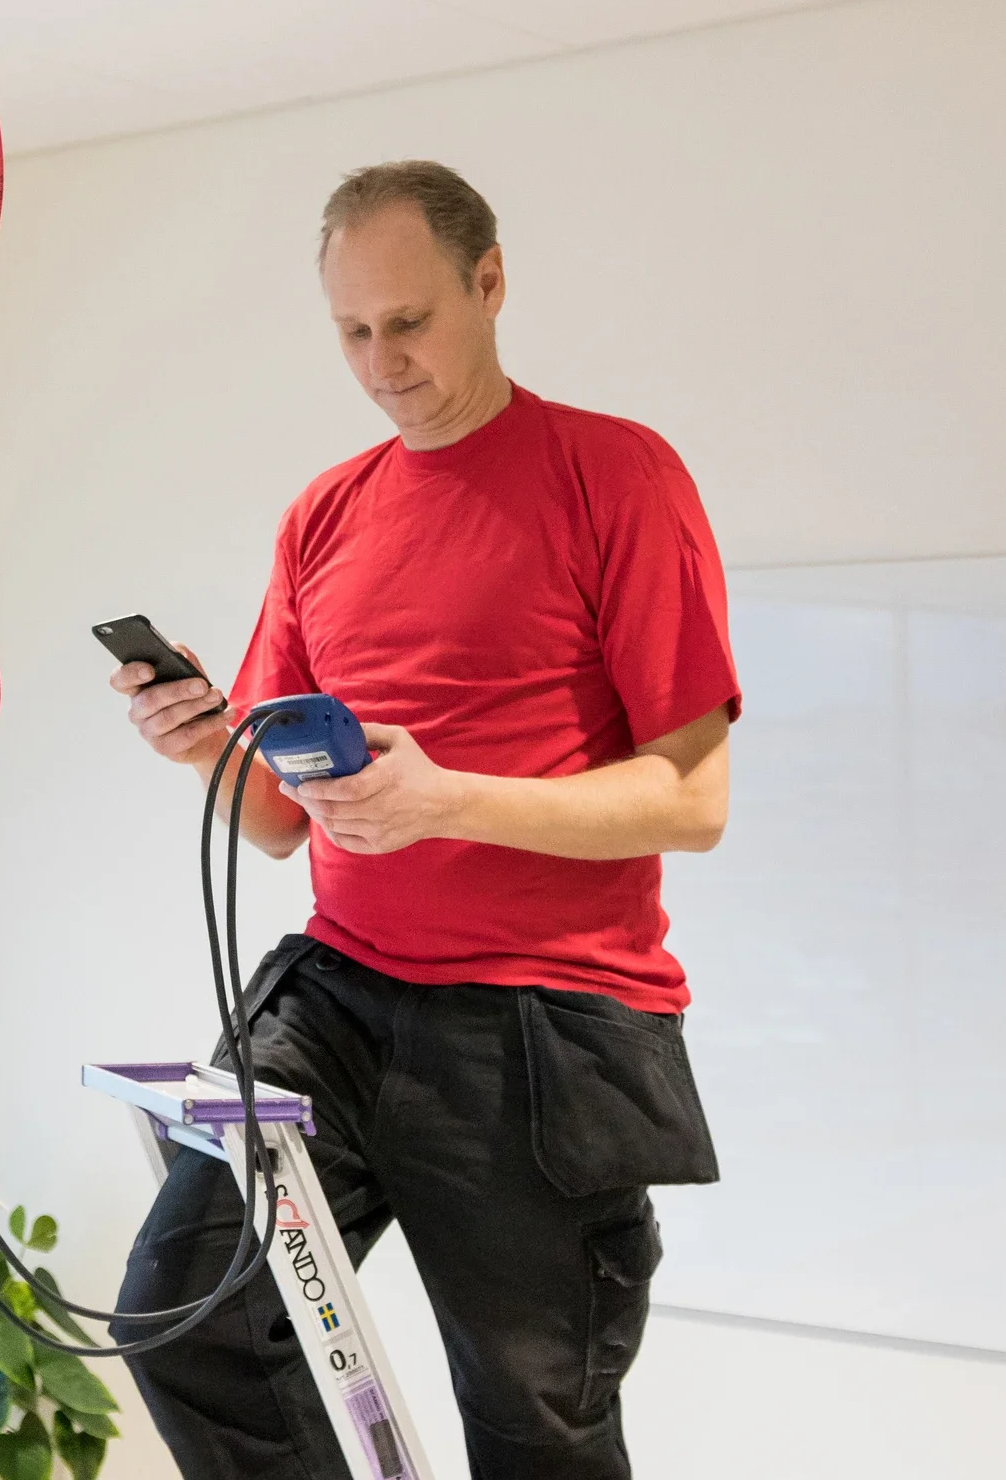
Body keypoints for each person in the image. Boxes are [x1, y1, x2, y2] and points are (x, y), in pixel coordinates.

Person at [105, 161, 737, 1480]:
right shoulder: (324, 514)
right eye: (351, 331)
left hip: (541, 1026)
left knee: (534, 1434)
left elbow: (692, 798)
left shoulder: (616, 474)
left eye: (409, 321)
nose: (381, 361)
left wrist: (448, 798)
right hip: (339, 999)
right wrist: (204, 740)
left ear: (489, 284)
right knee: (188, 1319)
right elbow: (280, 821)